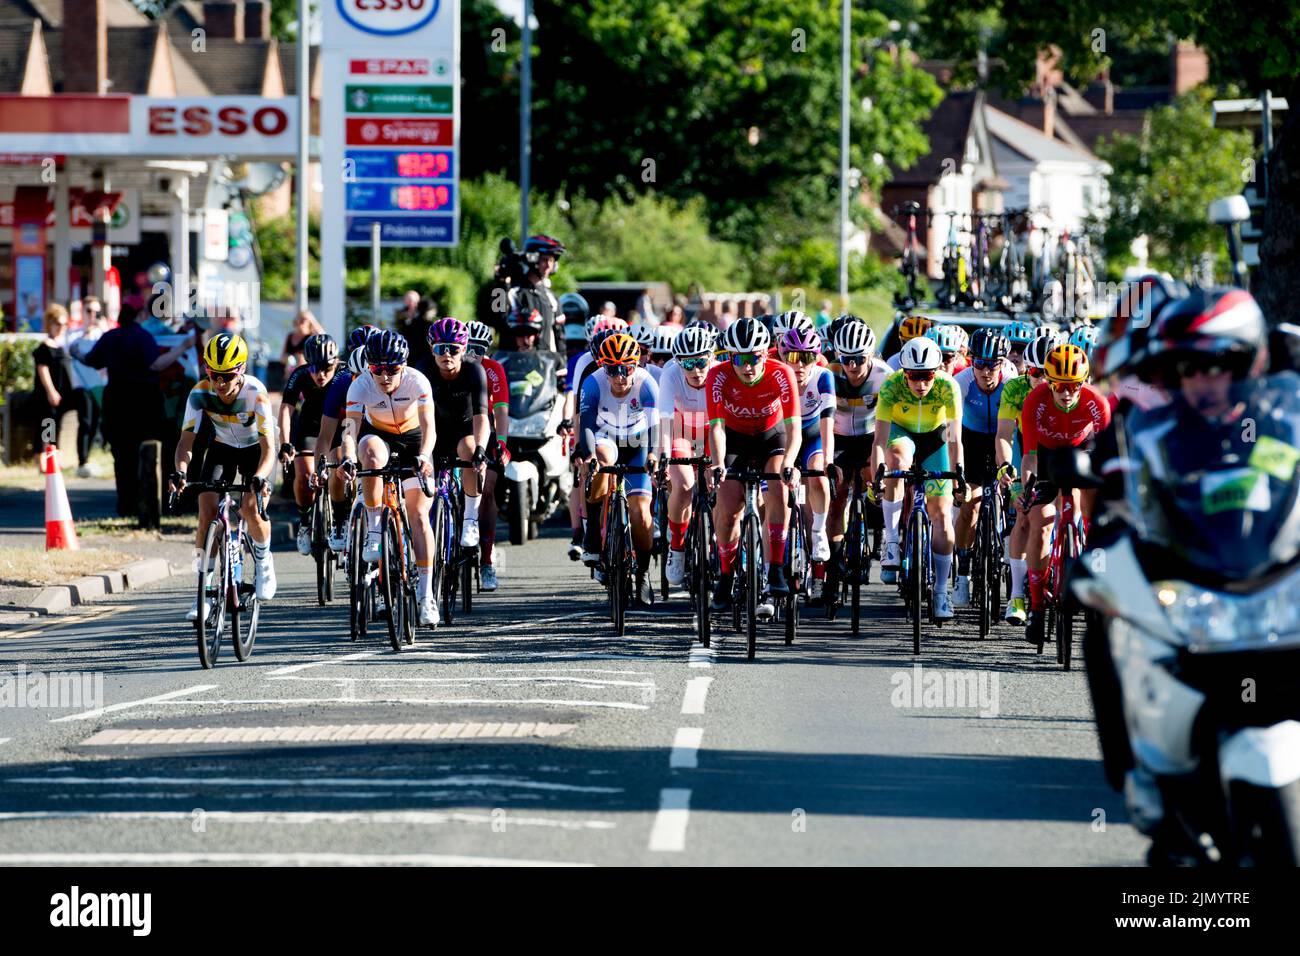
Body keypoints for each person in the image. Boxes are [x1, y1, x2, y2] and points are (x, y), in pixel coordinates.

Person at [168, 333, 277, 621]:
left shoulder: (256, 393)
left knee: (251, 508)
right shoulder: (199, 393)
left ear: (240, 370)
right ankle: (201, 592)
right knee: (205, 514)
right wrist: (180, 471)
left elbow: (270, 449)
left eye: (226, 376)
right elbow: (185, 444)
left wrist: (260, 477)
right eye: (214, 375)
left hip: (256, 451)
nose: (220, 383)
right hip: (223, 448)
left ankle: (265, 563)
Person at [340, 330, 440, 626]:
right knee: (367, 454)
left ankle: (425, 595)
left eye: (392, 369)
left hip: (414, 440)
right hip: (379, 436)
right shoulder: (359, 387)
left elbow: (429, 427)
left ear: (403, 365)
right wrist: (347, 457)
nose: (384, 376)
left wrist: (423, 456)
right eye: (376, 369)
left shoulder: (418, 381)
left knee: (419, 515)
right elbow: (349, 430)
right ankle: (374, 530)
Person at [1018, 343, 1112, 647]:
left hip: (1081, 451)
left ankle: (1090, 561)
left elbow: (1111, 452)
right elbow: (1029, 457)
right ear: (1049, 382)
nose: (1067, 393)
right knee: (1041, 522)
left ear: (1083, 383)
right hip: (1045, 456)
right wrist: (1026, 489)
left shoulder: (1096, 401)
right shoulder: (1035, 401)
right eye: (1059, 385)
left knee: (1095, 512)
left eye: (1073, 385)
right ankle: (1035, 606)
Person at [706, 318, 801, 615]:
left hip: (770, 437)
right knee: (728, 508)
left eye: (755, 357)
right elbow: (717, 428)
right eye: (739, 359)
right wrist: (718, 463)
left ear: (766, 353)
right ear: (729, 357)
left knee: (777, 488)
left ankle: (775, 568)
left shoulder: (781, 373)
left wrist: (789, 463)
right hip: (733, 440)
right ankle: (725, 575)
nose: (748, 366)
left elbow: (794, 428)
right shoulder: (717, 376)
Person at [871, 337, 966, 620]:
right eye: (914, 377)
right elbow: (879, 440)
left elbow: (954, 439)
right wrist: (878, 474)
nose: (921, 384)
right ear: (905, 373)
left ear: (937, 372)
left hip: (936, 441)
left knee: (942, 518)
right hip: (903, 434)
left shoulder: (949, 386)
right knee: (896, 462)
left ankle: (940, 592)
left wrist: (959, 474)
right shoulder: (892, 385)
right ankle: (890, 541)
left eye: (927, 377)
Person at [578, 331, 660, 606]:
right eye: (613, 369)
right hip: (606, 438)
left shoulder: (647, 383)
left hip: (638, 442)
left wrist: (653, 456)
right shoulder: (593, 383)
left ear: (635, 366)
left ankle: (644, 573)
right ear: (604, 367)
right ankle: (593, 527)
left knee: (640, 512)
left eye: (626, 369)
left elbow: (656, 427)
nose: (620, 376)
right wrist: (589, 455)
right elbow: (586, 425)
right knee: (600, 460)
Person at [68, 301, 164, 517]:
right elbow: (155, 364)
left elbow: (92, 360)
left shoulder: (110, 337)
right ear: (141, 314)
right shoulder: (144, 337)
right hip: (144, 403)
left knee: (122, 457)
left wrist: (75, 353)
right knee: (146, 454)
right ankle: (146, 505)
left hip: (117, 402)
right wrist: (182, 348)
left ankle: (125, 506)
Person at [993, 333, 1059, 624]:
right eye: (1034, 373)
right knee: (1022, 514)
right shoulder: (1014, 390)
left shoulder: (1065, 389)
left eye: (1047, 374)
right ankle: (1016, 595)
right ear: (1025, 371)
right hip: (1026, 452)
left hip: (1058, 453)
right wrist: (1006, 466)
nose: (1041, 381)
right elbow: (1005, 435)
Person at [825, 319, 891, 602]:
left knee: (875, 484)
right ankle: (833, 565)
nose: (852, 365)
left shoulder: (885, 375)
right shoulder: (828, 374)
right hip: (838, 437)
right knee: (837, 497)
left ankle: (878, 527)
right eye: (846, 358)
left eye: (859, 359)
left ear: (871, 354)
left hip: (870, 437)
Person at [950, 328, 1018, 606]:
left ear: (1002, 364)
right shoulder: (961, 381)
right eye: (979, 363)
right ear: (972, 362)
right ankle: (963, 574)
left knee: (1017, 498)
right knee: (970, 505)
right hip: (971, 441)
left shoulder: (1012, 381)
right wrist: (958, 473)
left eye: (992, 364)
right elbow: (952, 433)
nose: (985, 371)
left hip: (1006, 440)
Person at [417, 318, 491, 553]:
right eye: (440, 348)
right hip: (432, 432)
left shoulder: (474, 370)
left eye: (453, 349)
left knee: (469, 451)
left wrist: (481, 448)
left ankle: (470, 518)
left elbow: (481, 416)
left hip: (463, 430)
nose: (446, 354)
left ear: (464, 348)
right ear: (431, 349)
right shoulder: (423, 369)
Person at [656, 325, 716, 587]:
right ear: (677, 362)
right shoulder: (670, 375)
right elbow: (665, 422)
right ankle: (677, 547)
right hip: (681, 429)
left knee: (721, 486)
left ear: (711, 357)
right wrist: (663, 458)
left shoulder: (720, 372)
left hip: (714, 430)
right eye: (688, 364)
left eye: (701, 361)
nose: (695, 370)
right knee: (683, 486)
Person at [313, 326, 378, 551]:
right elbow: (325, 434)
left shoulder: (385, 377)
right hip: (346, 426)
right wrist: (319, 467)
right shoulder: (341, 382)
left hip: (375, 428)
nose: (362, 381)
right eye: (357, 376)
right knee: (337, 459)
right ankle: (340, 518)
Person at [276, 334, 342, 556]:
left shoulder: (345, 374)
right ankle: (305, 522)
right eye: (314, 368)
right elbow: (286, 409)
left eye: (326, 367)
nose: (320, 374)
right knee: (304, 476)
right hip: (310, 429)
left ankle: (342, 519)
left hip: (340, 430)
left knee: (339, 471)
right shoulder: (300, 375)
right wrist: (285, 442)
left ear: (336, 362)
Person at [780, 326, 836, 573]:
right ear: (783, 357)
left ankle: (819, 530)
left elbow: (828, 422)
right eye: (793, 357)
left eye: (807, 357)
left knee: (818, 477)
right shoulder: (778, 376)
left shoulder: (823, 377)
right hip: (783, 435)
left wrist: (829, 461)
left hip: (813, 433)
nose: (800, 365)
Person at [464, 320, 510, 591]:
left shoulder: (493, 370)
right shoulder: (450, 368)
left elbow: (502, 411)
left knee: (488, 488)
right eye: (468, 348)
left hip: (487, 431)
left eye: (479, 349)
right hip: (457, 430)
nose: (473, 354)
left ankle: (487, 560)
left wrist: (502, 443)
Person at [31, 304, 94, 471]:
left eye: (64, 324)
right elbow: (42, 370)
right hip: (48, 393)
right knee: (47, 424)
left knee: (56, 424)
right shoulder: (45, 346)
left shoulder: (62, 345)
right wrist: (51, 391)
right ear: (50, 323)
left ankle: (54, 458)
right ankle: (43, 458)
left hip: (63, 392)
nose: (61, 327)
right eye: (58, 323)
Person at [67, 301, 109, 475]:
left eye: (97, 312)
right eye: (89, 311)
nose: (93, 315)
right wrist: (86, 332)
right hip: (82, 385)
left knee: (95, 423)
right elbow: (69, 349)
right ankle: (82, 461)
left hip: (100, 385)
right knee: (85, 421)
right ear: (83, 312)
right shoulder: (74, 334)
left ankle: (88, 458)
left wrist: (103, 328)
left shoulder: (102, 335)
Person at [507, 235, 567, 352]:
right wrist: (502, 283)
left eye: (551, 260)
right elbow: (497, 315)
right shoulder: (515, 292)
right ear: (532, 258)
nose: (549, 265)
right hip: (516, 364)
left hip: (546, 365)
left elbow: (559, 336)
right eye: (544, 259)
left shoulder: (552, 297)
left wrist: (561, 365)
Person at [395, 290, 436, 371]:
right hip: (408, 355)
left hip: (423, 357)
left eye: (413, 301)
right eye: (408, 301)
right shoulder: (402, 315)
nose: (411, 304)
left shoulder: (426, 322)